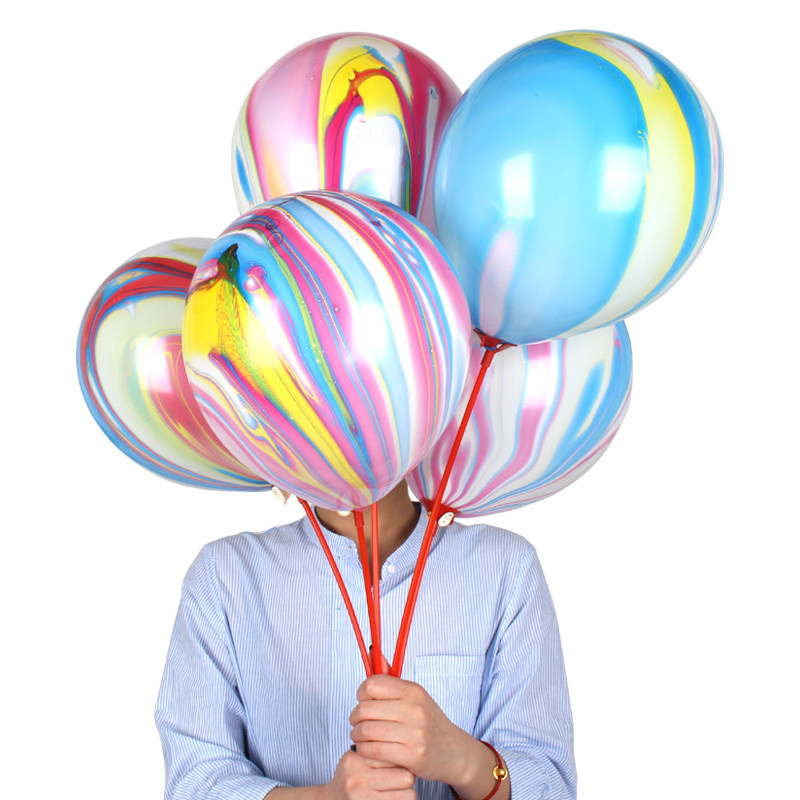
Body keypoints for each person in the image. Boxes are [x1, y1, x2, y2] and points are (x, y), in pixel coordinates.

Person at [155, 482, 576, 799]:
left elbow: (553, 783)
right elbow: (194, 780)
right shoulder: (225, 575)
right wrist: (325, 799)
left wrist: (462, 759)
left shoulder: (505, 568)